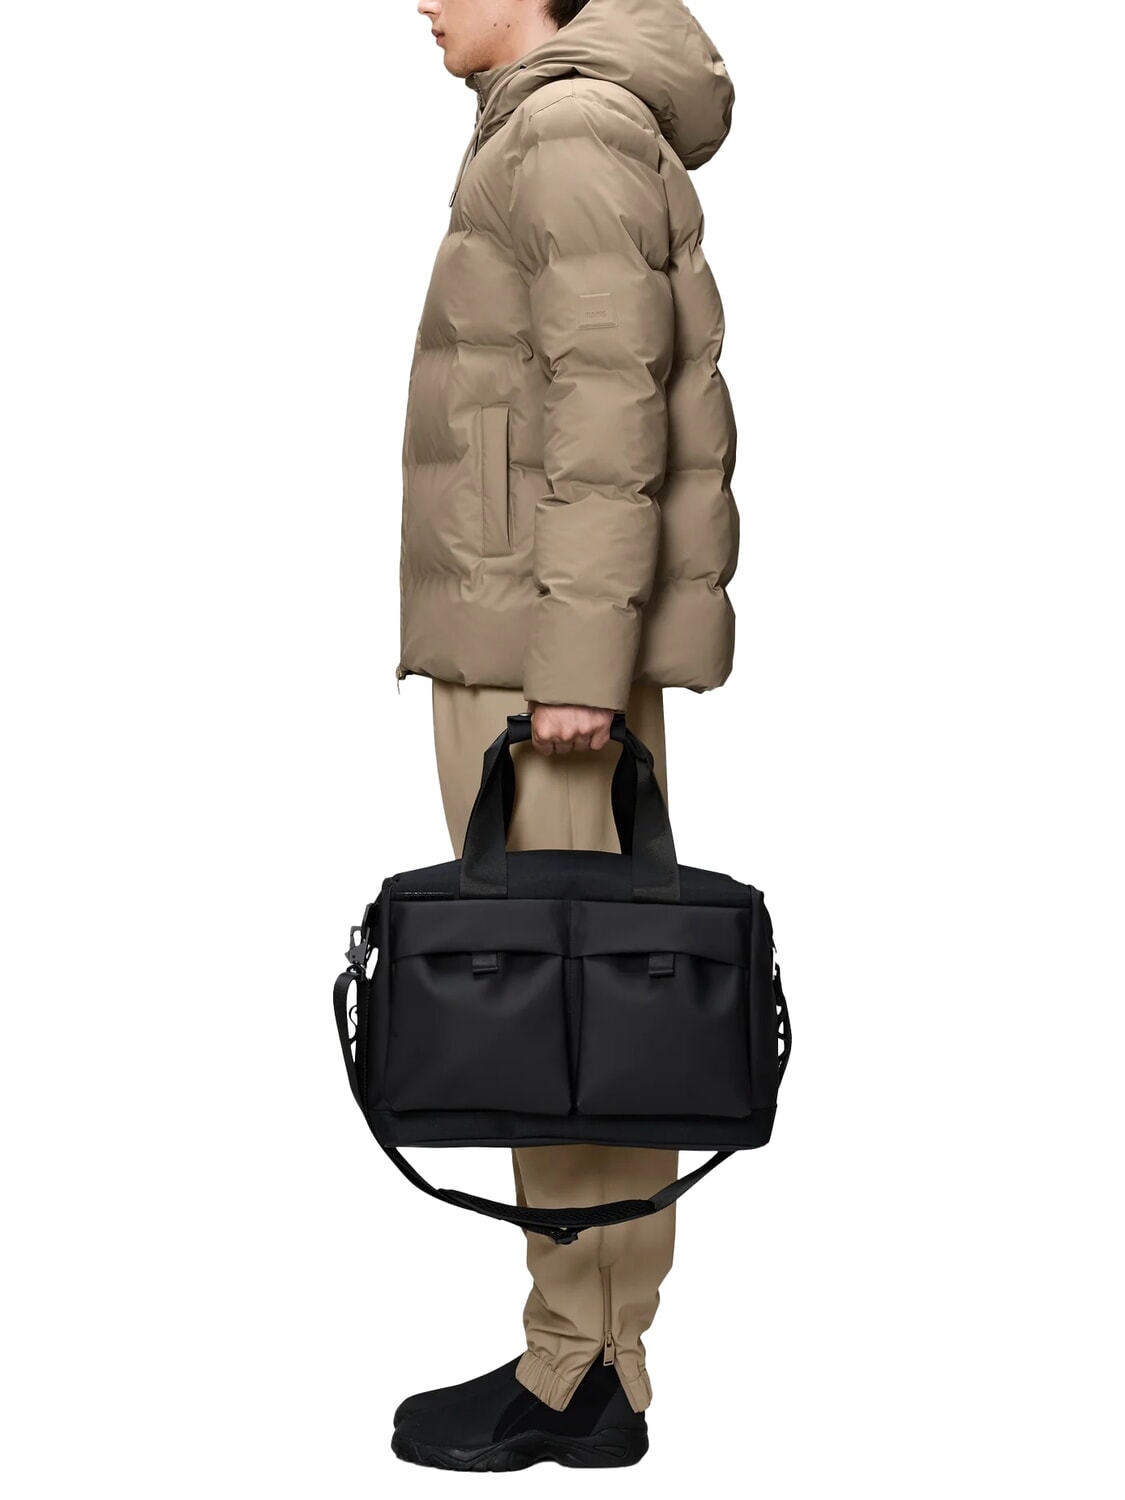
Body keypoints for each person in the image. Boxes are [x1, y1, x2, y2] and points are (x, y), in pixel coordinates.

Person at [391, 0, 739, 1470]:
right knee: (571, 1007)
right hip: (529, 629)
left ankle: (581, 1371)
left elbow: (610, 420)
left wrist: (577, 672)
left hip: (540, 648)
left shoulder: (570, 128)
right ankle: (587, 1359)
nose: (416, 1)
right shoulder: (554, 122)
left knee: (569, 1011)